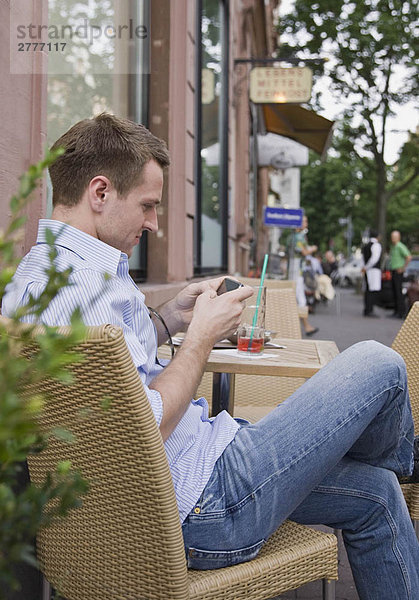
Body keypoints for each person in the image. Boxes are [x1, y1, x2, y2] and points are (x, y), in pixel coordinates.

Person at [3, 114, 419, 600]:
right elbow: (145, 426)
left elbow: (115, 369)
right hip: (205, 504)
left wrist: (173, 319)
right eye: (148, 206)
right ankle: (407, 460)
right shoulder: (83, 290)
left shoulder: (48, 274)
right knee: (378, 363)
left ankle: (393, 467)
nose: (155, 224)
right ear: (100, 193)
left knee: (377, 494)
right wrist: (201, 337)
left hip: (186, 483)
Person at [288, 215, 319, 335]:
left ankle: (306, 326)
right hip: (297, 272)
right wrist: (313, 248)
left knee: (297, 298)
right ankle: (305, 327)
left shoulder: (291, 237)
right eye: (305, 221)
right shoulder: (299, 237)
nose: (307, 223)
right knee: (300, 299)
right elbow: (305, 252)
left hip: (293, 270)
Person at [389, 230, 411, 319]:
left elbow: (408, 257)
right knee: (394, 291)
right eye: (392, 237)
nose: (392, 239)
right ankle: (396, 311)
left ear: (398, 237)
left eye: (394, 237)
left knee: (399, 292)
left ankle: (401, 312)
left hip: (398, 271)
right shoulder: (393, 247)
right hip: (393, 271)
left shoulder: (400, 246)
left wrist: (403, 268)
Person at [361, 229, 382, 317]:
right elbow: (374, 259)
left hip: (367, 270)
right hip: (373, 270)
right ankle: (370, 310)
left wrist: (364, 267)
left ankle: (367, 309)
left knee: (368, 289)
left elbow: (363, 258)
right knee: (372, 290)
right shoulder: (376, 245)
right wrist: (367, 267)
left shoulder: (365, 246)